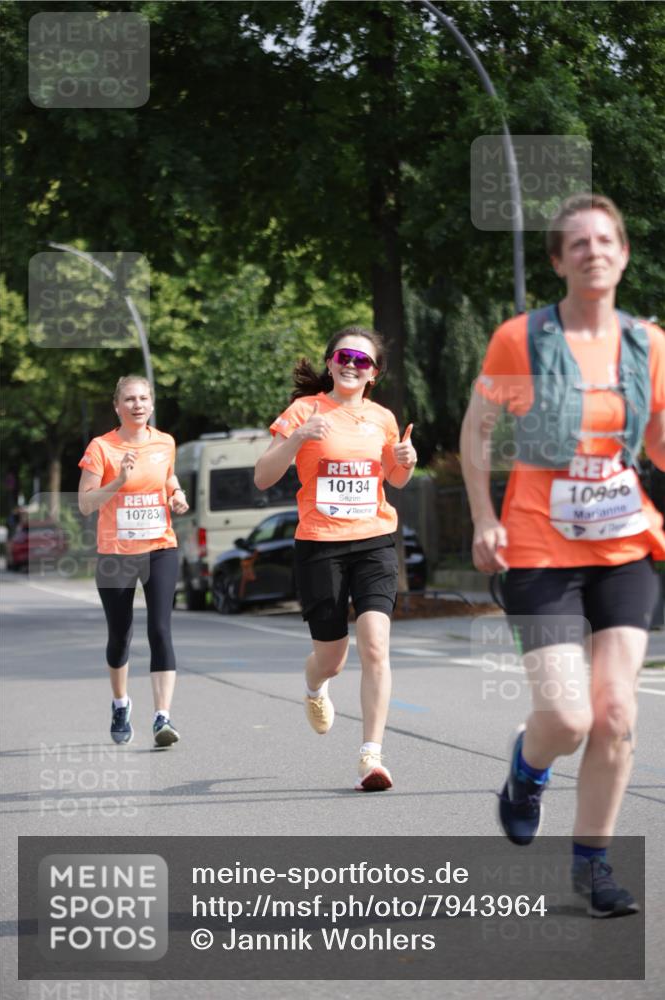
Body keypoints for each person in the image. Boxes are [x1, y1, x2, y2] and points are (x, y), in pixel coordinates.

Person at [460, 193, 665, 916]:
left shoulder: (648, 343)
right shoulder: (521, 340)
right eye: (577, 243)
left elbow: (656, 437)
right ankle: (527, 769)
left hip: (623, 545)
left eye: (605, 240)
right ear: (557, 261)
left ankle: (593, 866)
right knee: (570, 718)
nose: (593, 252)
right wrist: (483, 519)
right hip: (539, 547)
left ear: (623, 254)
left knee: (615, 713)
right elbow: (477, 430)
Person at [254, 326, 417, 791]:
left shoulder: (382, 418)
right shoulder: (304, 411)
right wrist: (297, 438)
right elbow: (263, 477)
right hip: (320, 543)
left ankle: (371, 756)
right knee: (332, 659)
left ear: (373, 373)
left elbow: (396, 478)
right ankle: (314, 685)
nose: (351, 364)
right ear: (330, 363)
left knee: (375, 645)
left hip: (374, 540)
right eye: (344, 356)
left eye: (362, 360)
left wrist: (406, 458)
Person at [78, 375, 189, 747]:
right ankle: (121, 703)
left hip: (160, 547)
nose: (137, 405)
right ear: (117, 406)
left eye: (143, 398)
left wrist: (176, 493)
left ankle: (162, 717)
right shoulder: (101, 448)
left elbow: (168, 477)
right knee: (120, 636)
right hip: (116, 555)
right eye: (129, 399)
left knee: (160, 629)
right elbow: (86, 503)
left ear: (152, 404)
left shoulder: (165, 442)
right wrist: (118, 481)